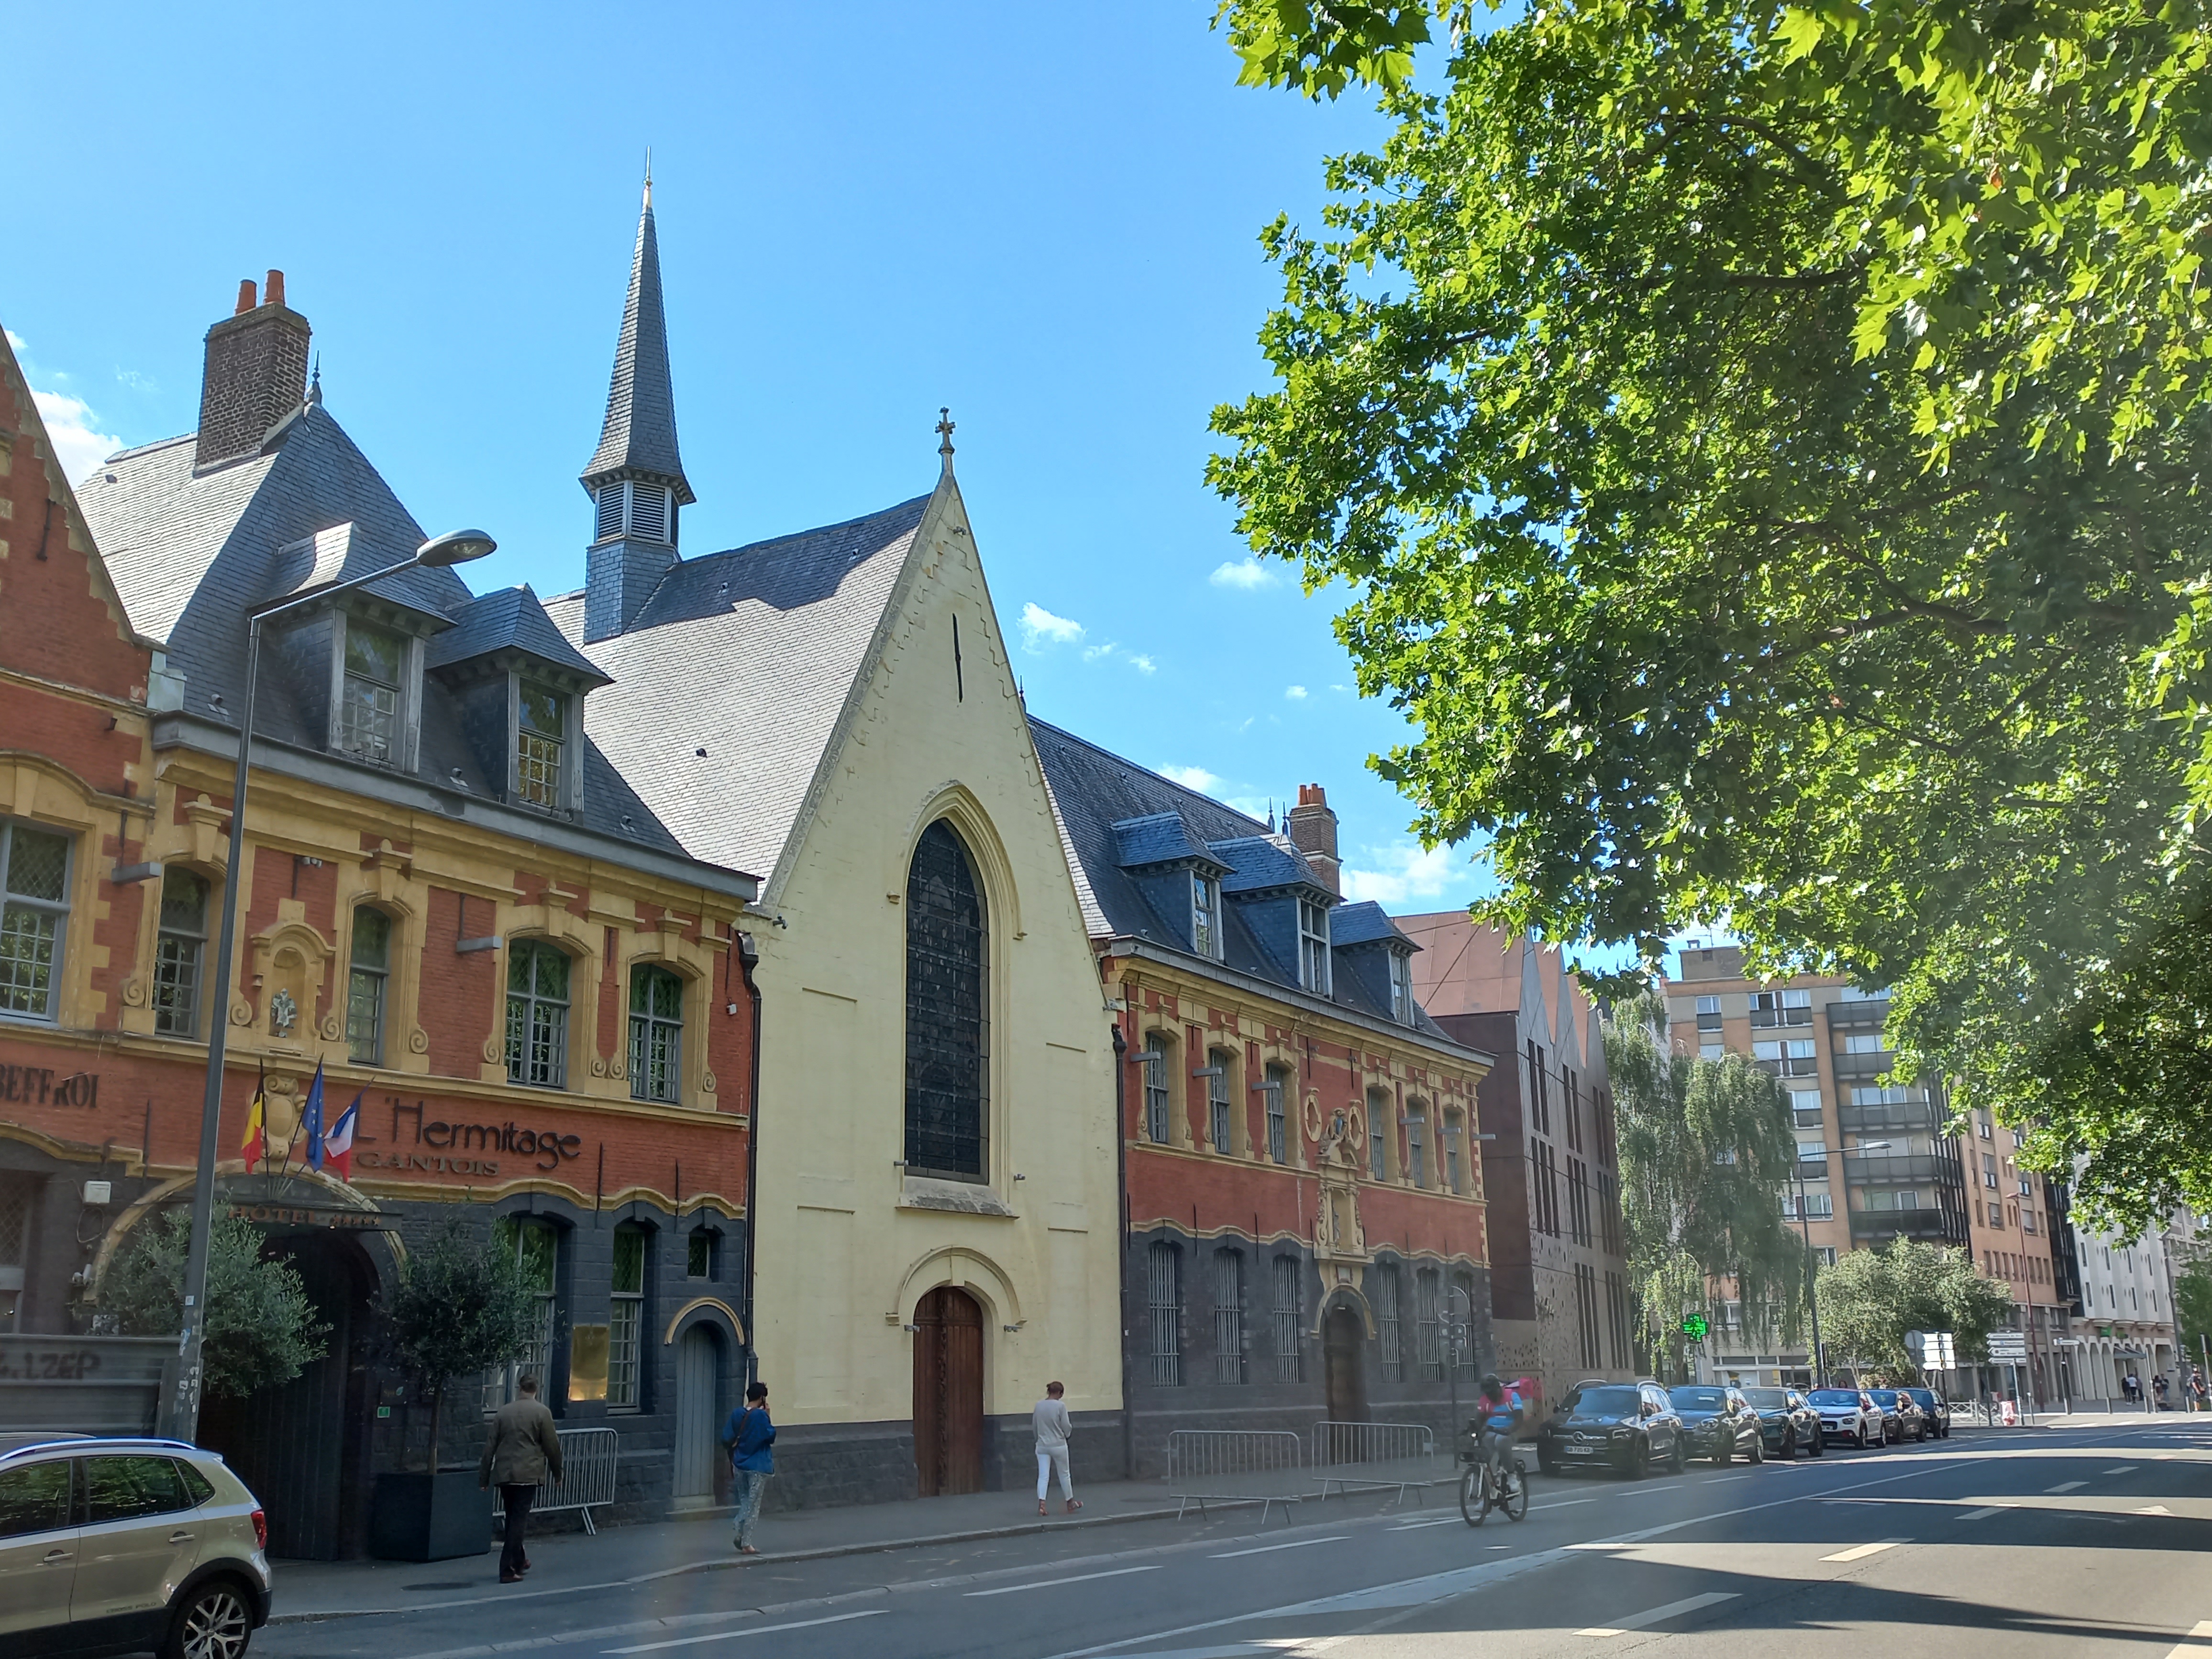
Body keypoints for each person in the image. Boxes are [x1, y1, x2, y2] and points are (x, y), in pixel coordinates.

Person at [478, 1376, 562, 1585]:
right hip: (528, 1473)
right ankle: (507, 1569)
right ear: (537, 1389)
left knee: (512, 1515)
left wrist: (484, 1477)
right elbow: (552, 1446)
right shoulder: (542, 1412)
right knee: (519, 1520)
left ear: (520, 1389)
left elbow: (490, 1447)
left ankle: (519, 1559)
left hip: (505, 1473)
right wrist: (557, 1473)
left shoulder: (503, 1412)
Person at [722, 1381, 775, 1554]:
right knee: (754, 1505)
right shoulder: (760, 1417)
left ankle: (741, 1536)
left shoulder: (737, 1413)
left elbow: (727, 1437)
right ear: (762, 1398)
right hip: (758, 1466)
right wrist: (768, 1416)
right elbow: (770, 1435)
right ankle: (746, 1540)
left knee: (745, 1499)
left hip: (739, 1464)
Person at [1033, 1381, 1081, 1516]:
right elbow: (1066, 1425)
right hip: (1058, 1445)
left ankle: (1042, 1504)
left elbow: (1035, 1426)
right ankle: (1070, 1502)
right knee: (1064, 1474)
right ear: (1060, 1393)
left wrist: (1038, 1439)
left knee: (1043, 1476)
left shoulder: (1039, 1405)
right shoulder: (1060, 1406)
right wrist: (1067, 1434)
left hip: (1042, 1445)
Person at [1474, 1373, 1522, 1493]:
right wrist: (1475, 1431)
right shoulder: (1484, 1400)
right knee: (1482, 1456)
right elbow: (1480, 1419)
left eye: (1492, 1393)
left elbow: (1519, 1420)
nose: (1490, 1396)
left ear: (1498, 1388)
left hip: (1509, 1431)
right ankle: (1486, 1493)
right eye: (1487, 1393)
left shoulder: (1512, 1396)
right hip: (1491, 1431)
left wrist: (1510, 1430)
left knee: (1501, 1441)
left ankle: (1512, 1476)